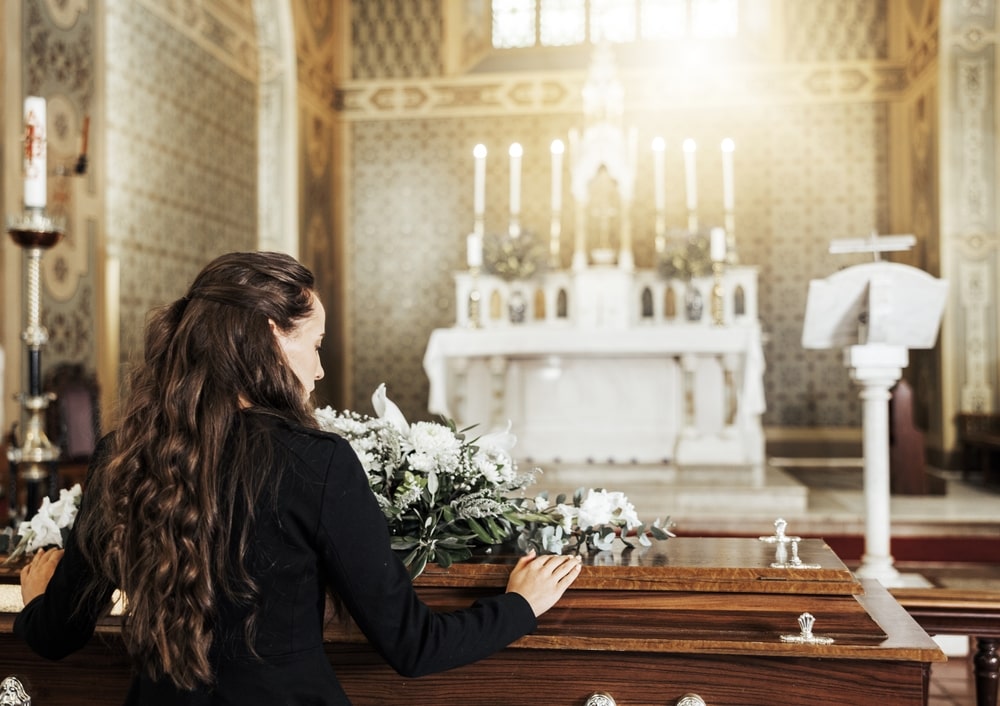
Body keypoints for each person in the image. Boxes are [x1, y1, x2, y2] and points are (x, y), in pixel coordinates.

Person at [15, 251, 582, 704]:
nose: (319, 369)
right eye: (313, 345)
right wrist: (520, 606)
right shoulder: (317, 461)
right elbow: (414, 647)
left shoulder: (123, 453)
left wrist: (37, 597)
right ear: (268, 337)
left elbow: (55, 636)